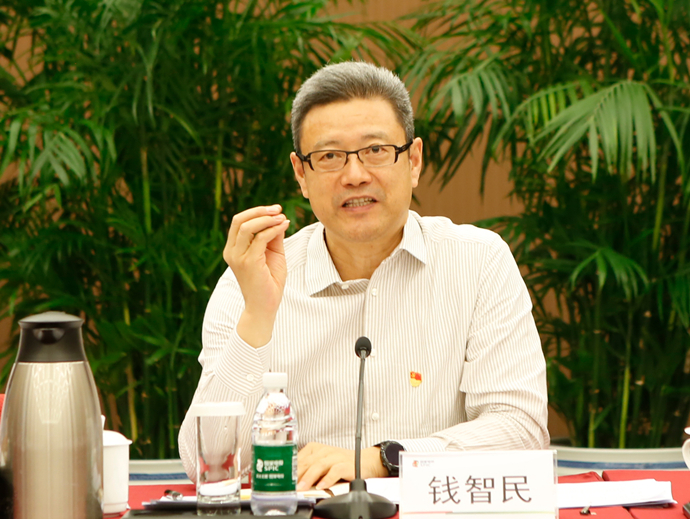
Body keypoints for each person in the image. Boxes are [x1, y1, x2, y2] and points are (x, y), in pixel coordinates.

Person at [178, 61, 549, 491]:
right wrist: (258, 316)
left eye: (376, 150)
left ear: (413, 161)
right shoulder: (250, 279)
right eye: (329, 156)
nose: (355, 176)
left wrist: (386, 459)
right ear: (301, 174)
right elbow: (208, 464)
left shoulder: (478, 262)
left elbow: (521, 430)